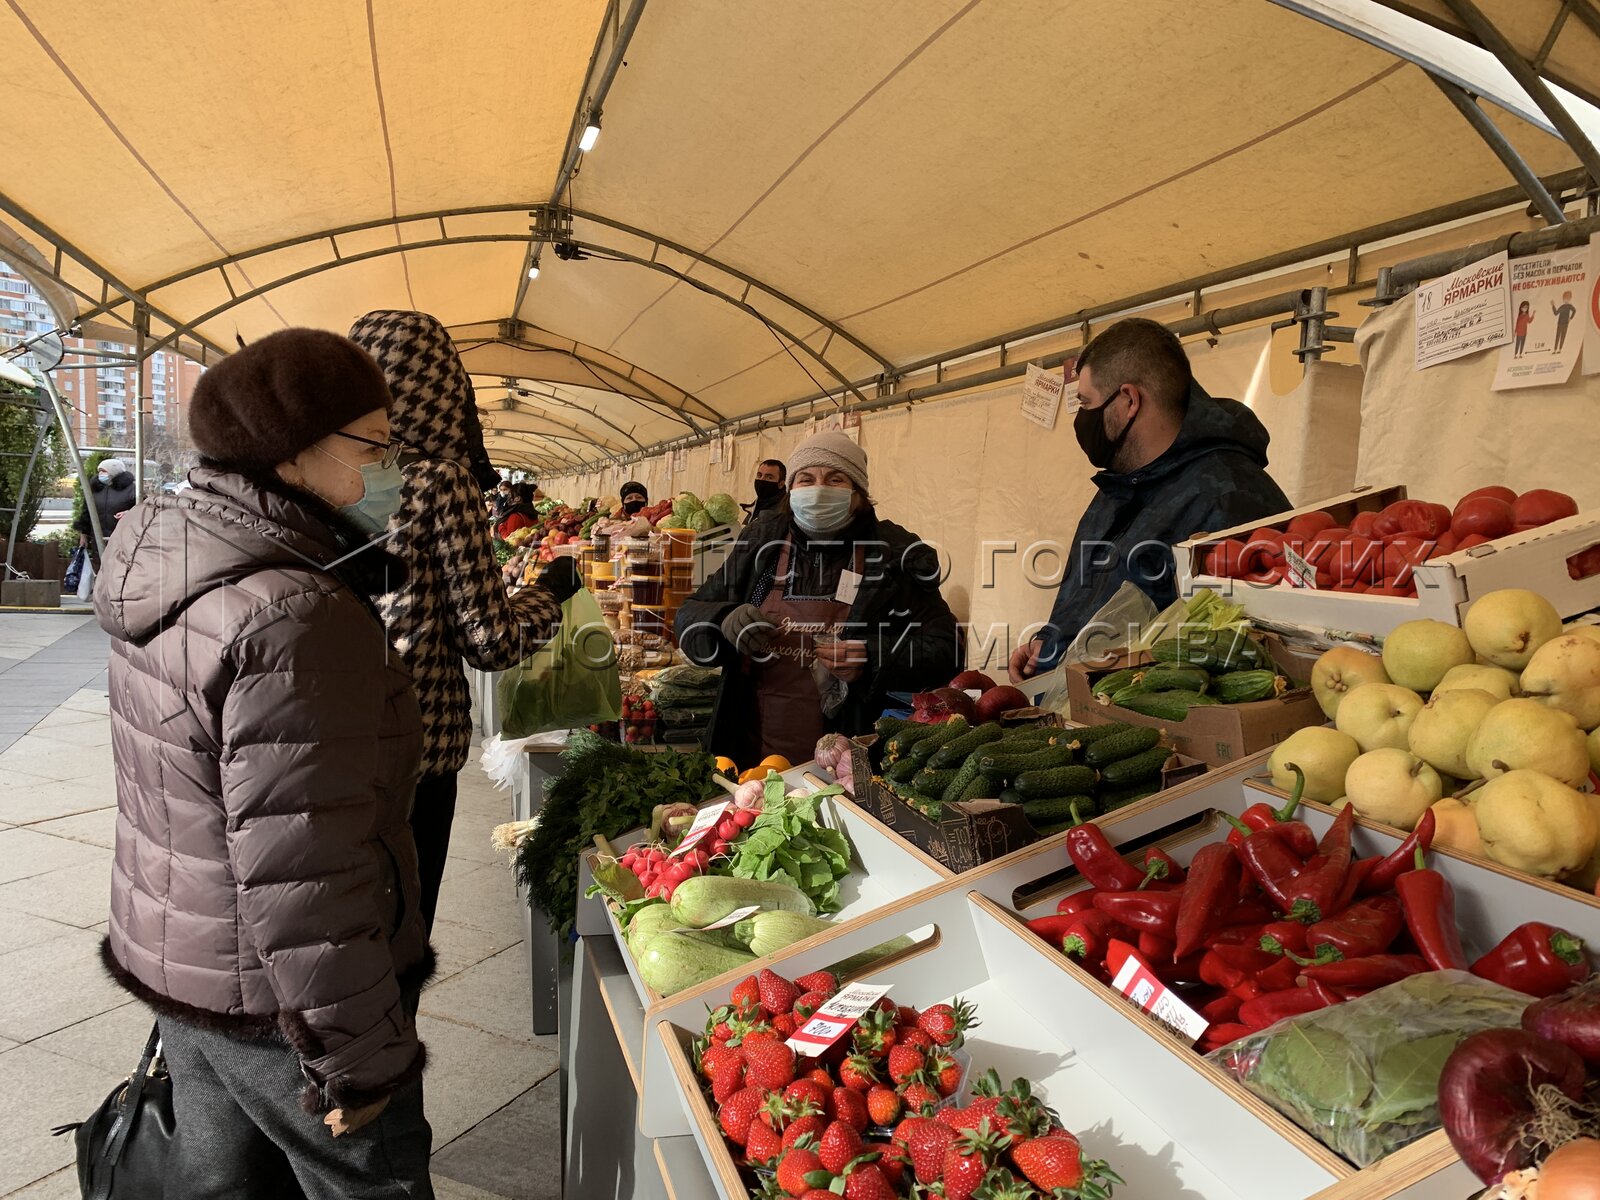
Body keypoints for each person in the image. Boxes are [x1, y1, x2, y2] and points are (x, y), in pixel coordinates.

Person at [94, 328, 434, 1198]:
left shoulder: (177, 557)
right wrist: (358, 1053)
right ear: (291, 454)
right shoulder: (294, 613)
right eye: (374, 446)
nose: (392, 470)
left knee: (220, 1184)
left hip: (187, 959)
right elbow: (305, 868)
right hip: (276, 1000)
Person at [350, 310, 578, 932]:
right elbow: (491, 640)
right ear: (449, 392)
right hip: (415, 745)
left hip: (330, 741)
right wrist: (552, 592)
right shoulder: (439, 482)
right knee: (401, 931)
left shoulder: (327, 475)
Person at [1010, 319, 1290, 683]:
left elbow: (1233, 658)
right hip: (1073, 714)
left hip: (1139, 726)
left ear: (1129, 400)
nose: (1083, 418)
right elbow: (1091, 602)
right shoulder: (1117, 489)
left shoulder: (1230, 498)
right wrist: (1047, 647)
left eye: (1086, 402)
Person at [676, 431, 959, 765]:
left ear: (858, 493)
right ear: (790, 490)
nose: (818, 490)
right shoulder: (762, 544)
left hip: (855, 758)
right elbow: (688, 614)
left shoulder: (894, 555)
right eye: (806, 479)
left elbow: (947, 648)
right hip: (752, 751)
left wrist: (874, 655)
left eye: (835, 479)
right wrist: (722, 619)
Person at [74, 455, 136, 555]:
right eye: (100, 471)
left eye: (104, 471)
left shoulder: (132, 489)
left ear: (114, 472)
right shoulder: (95, 489)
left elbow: (143, 510)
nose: (100, 474)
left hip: (124, 540)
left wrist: (128, 513)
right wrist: (83, 534)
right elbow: (86, 513)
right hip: (98, 540)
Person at [741, 458, 787, 522]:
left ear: (781, 484)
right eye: (759, 475)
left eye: (769, 477)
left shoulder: (783, 512)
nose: (761, 479)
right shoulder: (757, 505)